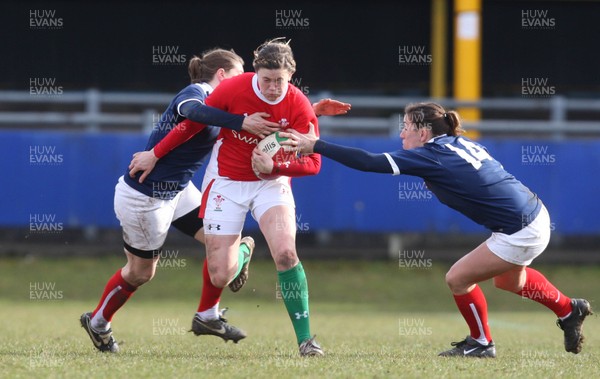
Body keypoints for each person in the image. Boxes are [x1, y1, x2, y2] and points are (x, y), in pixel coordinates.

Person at [276, 102, 592, 358]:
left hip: (520, 229)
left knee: (457, 278)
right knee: (510, 281)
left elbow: (371, 162)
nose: (401, 134)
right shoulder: (454, 144)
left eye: (406, 127)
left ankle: (481, 343)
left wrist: (316, 144)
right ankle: (569, 309)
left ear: (424, 133)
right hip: (532, 215)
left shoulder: (433, 156)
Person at [129, 38, 351, 357]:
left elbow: (313, 163)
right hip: (227, 182)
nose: (273, 88)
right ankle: (244, 251)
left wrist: (275, 165)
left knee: (287, 254)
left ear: (291, 77)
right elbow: (193, 123)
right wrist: (154, 153)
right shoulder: (234, 89)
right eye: (267, 80)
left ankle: (306, 340)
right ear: (256, 73)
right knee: (221, 274)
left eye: (280, 81)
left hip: (271, 184)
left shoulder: (299, 105)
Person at [80, 47, 284, 353]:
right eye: (239, 77)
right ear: (221, 76)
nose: (244, 85)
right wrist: (239, 121)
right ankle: (97, 323)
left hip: (178, 191)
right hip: (145, 197)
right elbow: (191, 112)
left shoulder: (222, 105)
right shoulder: (197, 91)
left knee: (221, 244)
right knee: (140, 273)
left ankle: (207, 315)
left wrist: (311, 111)